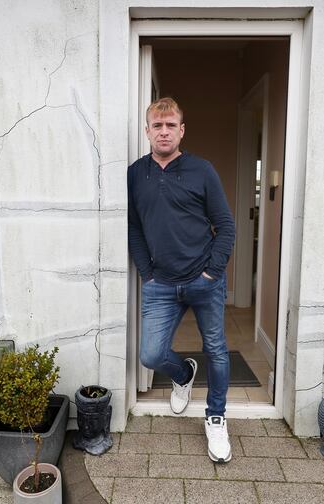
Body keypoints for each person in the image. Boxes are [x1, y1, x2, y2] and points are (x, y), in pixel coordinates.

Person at [127, 97, 236, 462]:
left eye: (170, 125)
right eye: (157, 126)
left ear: (181, 130)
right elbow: (135, 228)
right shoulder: (135, 173)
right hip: (161, 284)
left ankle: (216, 417)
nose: (163, 131)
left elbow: (226, 226)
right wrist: (147, 273)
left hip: (204, 280)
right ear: (147, 131)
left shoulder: (201, 170)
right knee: (151, 354)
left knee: (216, 350)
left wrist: (212, 272)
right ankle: (183, 373)